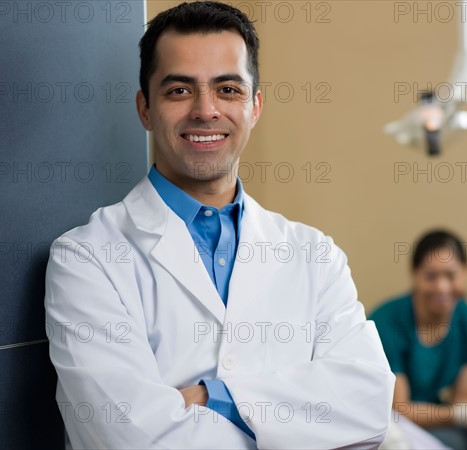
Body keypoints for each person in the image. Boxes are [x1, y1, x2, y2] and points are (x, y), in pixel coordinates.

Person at [44, 2, 394, 448]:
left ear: (255, 106)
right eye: (179, 91)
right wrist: (292, 423)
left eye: (228, 89)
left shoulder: (315, 254)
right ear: (145, 109)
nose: (206, 111)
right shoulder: (87, 258)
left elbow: (366, 407)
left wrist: (212, 397)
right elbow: (128, 437)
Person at [370, 230, 467, 450]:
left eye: (451, 275)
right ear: (414, 274)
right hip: (387, 420)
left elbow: (463, 399)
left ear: (466, 273)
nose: (442, 287)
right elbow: (400, 410)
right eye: (431, 276)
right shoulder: (386, 322)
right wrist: (460, 415)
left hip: (433, 417)